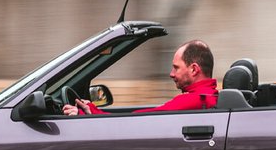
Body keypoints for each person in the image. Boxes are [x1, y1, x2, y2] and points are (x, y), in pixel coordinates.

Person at [63, 40, 218, 115]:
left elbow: (139, 121)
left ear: (194, 69)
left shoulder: (194, 101)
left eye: (176, 68)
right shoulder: (208, 98)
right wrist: (91, 111)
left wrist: (86, 114)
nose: (171, 74)